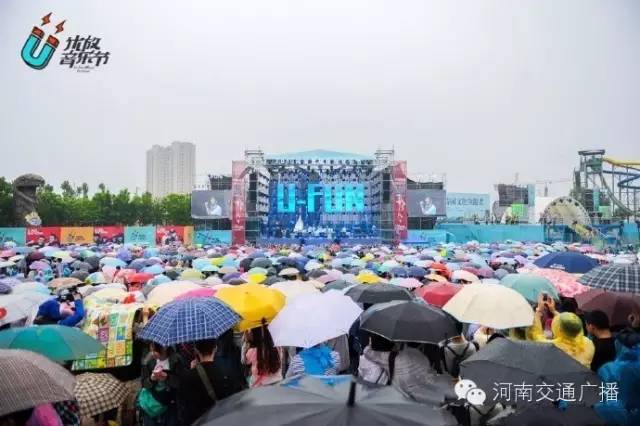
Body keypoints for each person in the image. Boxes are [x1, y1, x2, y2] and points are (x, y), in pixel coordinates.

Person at [178, 339, 245, 425]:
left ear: (196, 350)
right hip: (225, 420)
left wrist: (191, 371)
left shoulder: (188, 377)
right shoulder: (227, 370)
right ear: (215, 348)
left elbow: (185, 410)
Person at [140, 342, 183, 426]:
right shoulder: (148, 361)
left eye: (155, 351)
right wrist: (151, 379)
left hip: (171, 404)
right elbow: (144, 384)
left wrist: (167, 377)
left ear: (164, 347)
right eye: (151, 350)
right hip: (153, 403)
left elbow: (181, 383)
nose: (152, 354)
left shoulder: (176, 360)